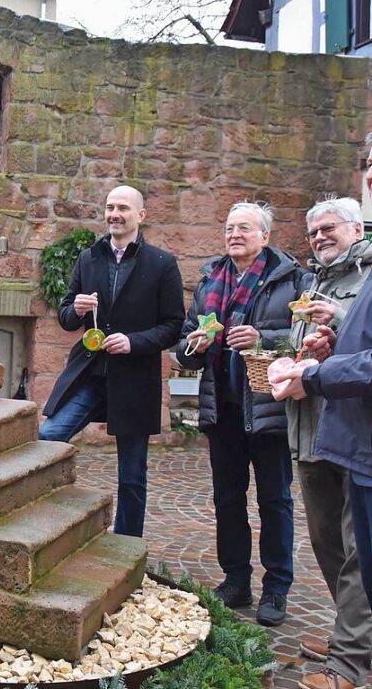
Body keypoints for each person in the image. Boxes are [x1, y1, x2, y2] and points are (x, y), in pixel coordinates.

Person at [175, 202, 308, 627]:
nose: (235, 234)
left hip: (267, 408)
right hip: (224, 409)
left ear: (264, 236)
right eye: (230, 227)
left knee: (275, 501)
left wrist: (262, 336)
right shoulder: (210, 279)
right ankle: (236, 580)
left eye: (245, 228)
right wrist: (192, 345)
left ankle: (276, 588)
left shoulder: (291, 280)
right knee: (228, 500)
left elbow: (305, 336)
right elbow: (184, 347)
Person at [270, 163, 372, 689]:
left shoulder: (368, 275)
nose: (319, 236)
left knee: (361, 545)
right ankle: (351, 633)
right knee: (326, 536)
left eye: (329, 226)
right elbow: (322, 349)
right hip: (311, 424)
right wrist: (309, 349)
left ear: (357, 229)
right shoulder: (310, 280)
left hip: (355, 426)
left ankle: (352, 657)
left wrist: (329, 353)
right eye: (312, 231)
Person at [40, 185, 184, 538]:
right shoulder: (88, 258)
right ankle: (48, 525)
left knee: (132, 474)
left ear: (140, 215)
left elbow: (173, 326)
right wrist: (73, 309)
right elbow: (65, 316)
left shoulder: (162, 264)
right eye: (109, 207)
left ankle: (127, 543)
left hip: (135, 379)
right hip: (90, 373)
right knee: (48, 437)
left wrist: (134, 342)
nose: (114, 214)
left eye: (122, 208)